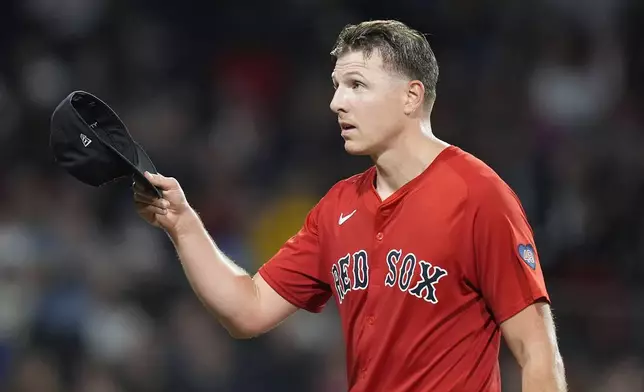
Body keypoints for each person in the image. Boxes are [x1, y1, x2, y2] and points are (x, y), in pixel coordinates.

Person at [133, 19, 567, 392]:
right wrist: (183, 224)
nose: (337, 102)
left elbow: (537, 353)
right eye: (337, 86)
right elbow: (248, 309)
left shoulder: (478, 195)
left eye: (357, 85)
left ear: (411, 97)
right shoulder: (339, 206)